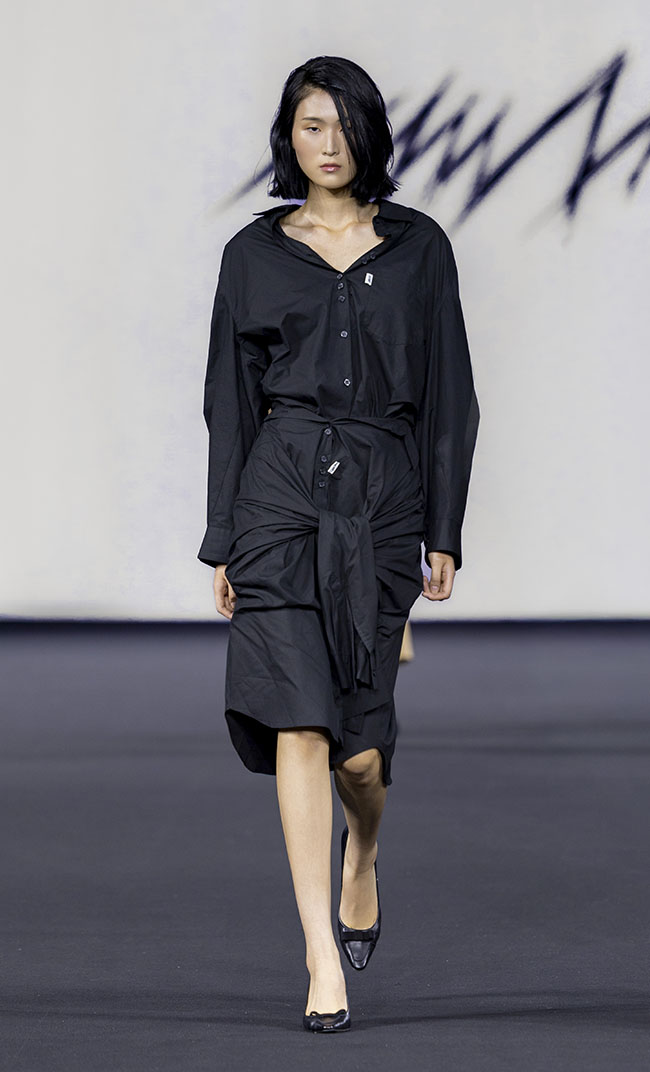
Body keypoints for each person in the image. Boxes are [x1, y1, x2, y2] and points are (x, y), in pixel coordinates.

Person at [197, 55, 480, 1033]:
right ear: (288, 137)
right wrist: (223, 539)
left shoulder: (418, 248)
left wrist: (444, 528)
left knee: (358, 754)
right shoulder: (251, 255)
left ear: (370, 133)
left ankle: (364, 852)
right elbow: (228, 404)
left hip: (382, 501)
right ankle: (320, 952)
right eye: (308, 125)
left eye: (341, 124)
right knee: (298, 722)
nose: (326, 143)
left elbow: (450, 397)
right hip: (278, 494)